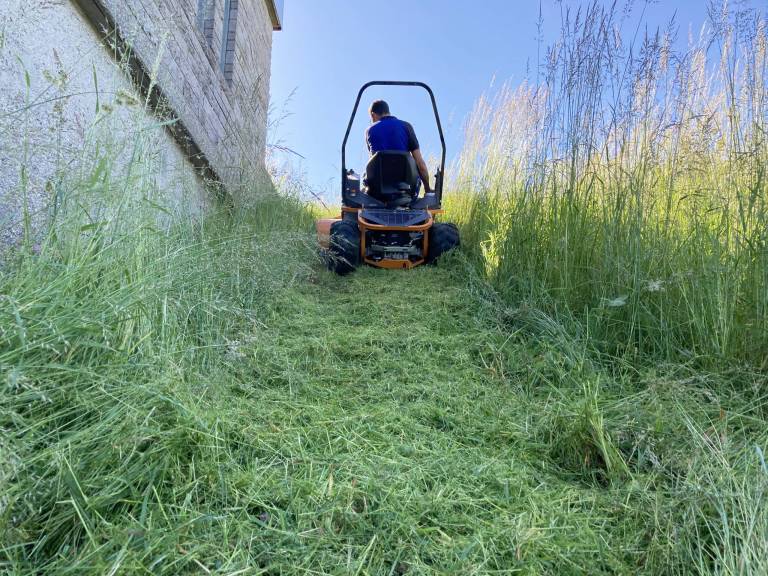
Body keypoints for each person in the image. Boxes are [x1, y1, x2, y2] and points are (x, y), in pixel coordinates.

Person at [365, 100, 431, 194]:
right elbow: (420, 163)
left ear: (373, 115)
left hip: (379, 190)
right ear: (388, 111)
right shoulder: (406, 126)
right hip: (406, 188)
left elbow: (372, 164)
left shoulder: (369, 131)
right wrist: (427, 189)